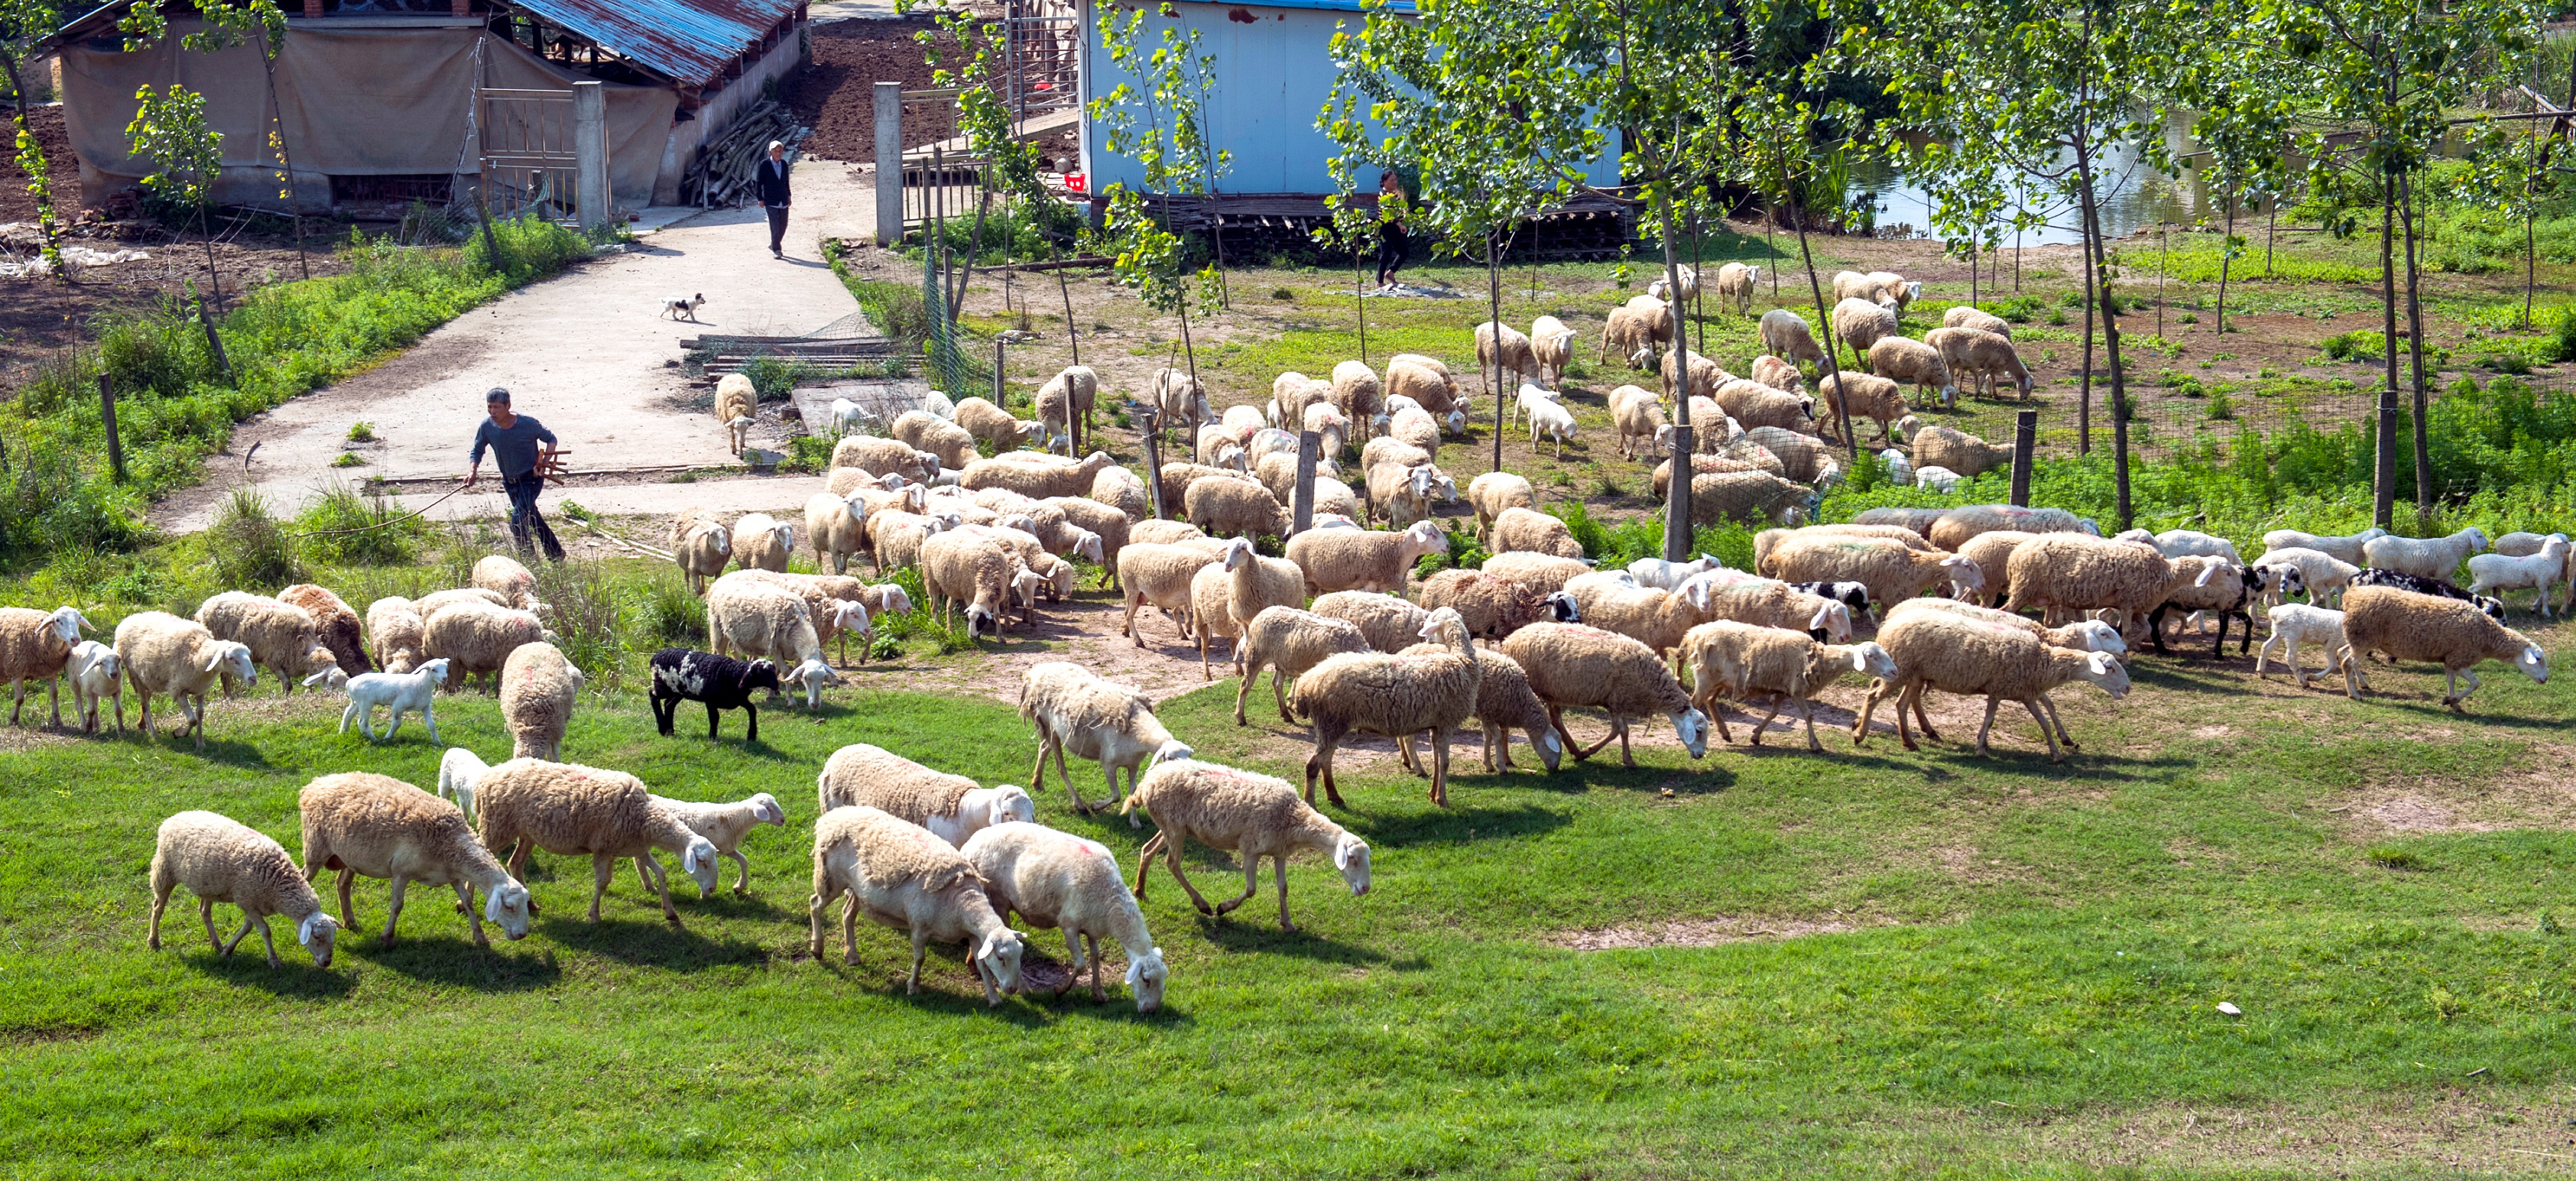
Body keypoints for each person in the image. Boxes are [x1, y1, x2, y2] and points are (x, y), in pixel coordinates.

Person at [464, 387, 565, 561]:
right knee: (532, 516)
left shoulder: (527, 424)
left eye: (497, 407)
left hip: (531, 479)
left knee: (517, 522)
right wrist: (473, 470)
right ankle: (556, 553)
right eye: (490, 407)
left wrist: (544, 463)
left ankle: (531, 562)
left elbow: (551, 439)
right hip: (510, 482)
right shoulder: (487, 426)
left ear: (508, 406)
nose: (493, 412)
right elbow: (477, 449)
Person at [756, 140, 793, 259]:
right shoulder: (765, 165)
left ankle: (774, 243)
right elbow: (759, 182)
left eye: (780, 151)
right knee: (775, 226)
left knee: (784, 225)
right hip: (771, 200)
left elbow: (786, 181)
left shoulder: (784, 164)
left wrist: (789, 196)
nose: (778, 153)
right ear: (771, 152)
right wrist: (760, 198)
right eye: (776, 151)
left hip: (783, 199)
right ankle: (777, 250)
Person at [1374, 170, 1408, 290]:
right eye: (1392, 180)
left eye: (1395, 179)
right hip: (1387, 228)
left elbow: (1399, 211)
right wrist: (1400, 225)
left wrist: (1403, 223)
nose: (1395, 182)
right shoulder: (1383, 195)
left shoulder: (1395, 194)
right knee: (1386, 254)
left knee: (1404, 252)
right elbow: (1387, 215)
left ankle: (1391, 273)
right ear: (1384, 182)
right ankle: (1379, 282)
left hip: (1397, 228)